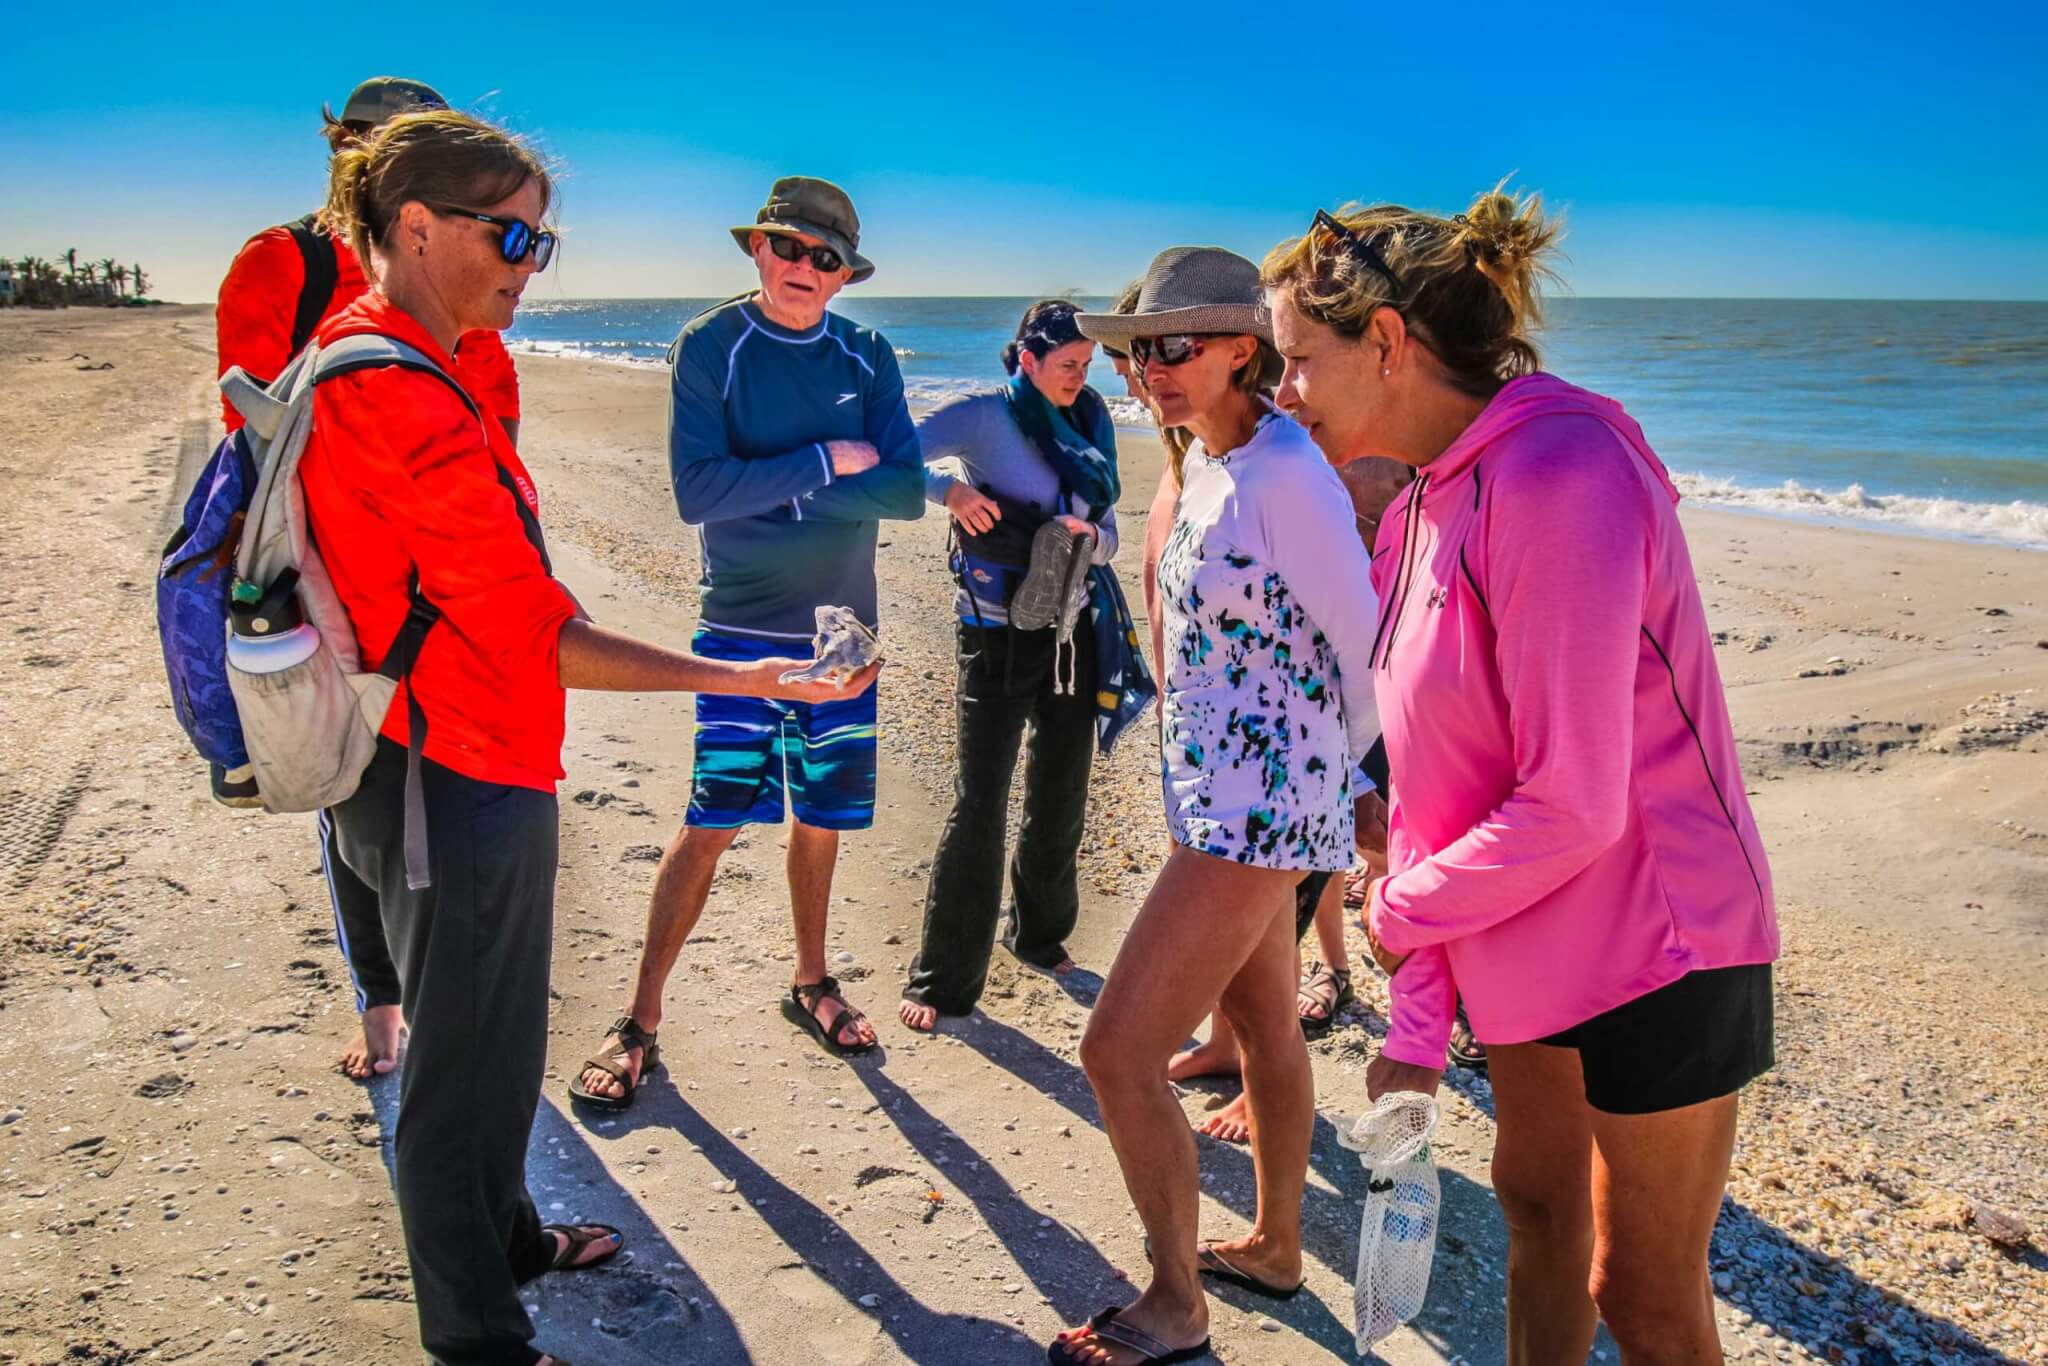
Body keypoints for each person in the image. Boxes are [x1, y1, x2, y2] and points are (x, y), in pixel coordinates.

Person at [304, 110, 876, 1366]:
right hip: (444, 770)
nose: (530, 262)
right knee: (458, 1076)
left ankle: (505, 1237)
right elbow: (528, 632)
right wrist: (741, 667)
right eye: (510, 234)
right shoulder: (398, 390)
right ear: (415, 226)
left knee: (501, 1041)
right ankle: (479, 1341)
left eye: (540, 241)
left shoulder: (412, 355)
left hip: (443, 749)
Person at [1264, 185, 1778, 1364]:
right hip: (1525, 925)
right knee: (1536, 1209)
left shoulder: (1560, 470)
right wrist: (1417, 1008)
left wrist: (1391, 912)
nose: (1281, 391)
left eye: (1296, 359)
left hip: (1660, 936)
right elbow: (1440, 793)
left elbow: (1573, 799)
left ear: (1384, 344)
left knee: (1643, 1292)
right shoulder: (1424, 501)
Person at [1049, 248, 1382, 1365]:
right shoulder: (1204, 459)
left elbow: (1362, 645)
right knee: (1265, 1022)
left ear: (1246, 346)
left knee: (1116, 1051)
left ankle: (1174, 1302)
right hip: (1223, 799)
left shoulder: (1289, 475)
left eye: (1174, 348)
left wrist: (1377, 797)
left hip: (1265, 812)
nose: (1150, 374)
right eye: (1139, 353)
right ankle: (1278, 1245)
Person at [571, 176, 924, 1107]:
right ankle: (640, 1017)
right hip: (739, 629)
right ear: (758, 250)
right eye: (790, 248)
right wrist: (822, 462)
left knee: (820, 820)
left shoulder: (869, 352)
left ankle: (812, 981)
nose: (805, 266)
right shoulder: (713, 347)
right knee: (713, 819)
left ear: (845, 274)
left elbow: (905, 490)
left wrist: (778, 486)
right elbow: (696, 492)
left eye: (826, 256)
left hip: (847, 634)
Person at [213, 74, 525, 1085]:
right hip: (330, 582)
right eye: (366, 143)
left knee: (422, 808)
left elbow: (493, 392)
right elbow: (254, 429)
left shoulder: (455, 268)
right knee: (348, 793)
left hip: (442, 577)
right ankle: (382, 1002)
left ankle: (429, 1020)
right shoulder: (287, 260)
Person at [898, 300, 1122, 1031]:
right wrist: (949, 492)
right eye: (1067, 367)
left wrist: (1089, 533)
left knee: (1061, 791)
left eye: (1088, 368)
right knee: (980, 800)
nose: (1080, 381)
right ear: (1026, 359)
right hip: (993, 635)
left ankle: (1039, 934)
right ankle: (943, 979)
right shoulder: (979, 415)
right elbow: (887, 453)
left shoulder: (1092, 421)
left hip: (1073, 633)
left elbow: (1112, 532)